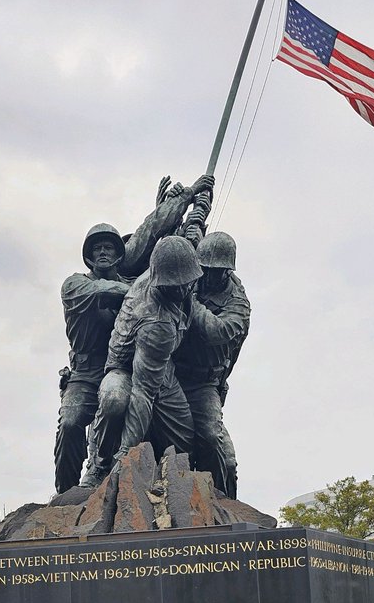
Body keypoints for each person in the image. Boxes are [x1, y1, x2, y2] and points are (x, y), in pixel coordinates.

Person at [54, 175, 214, 493]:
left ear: (118, 252)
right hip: (87, 374)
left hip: (129, 367)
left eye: (108, 247)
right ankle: (69, 491)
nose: (102, 252)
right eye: (96, 248)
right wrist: (140, 288)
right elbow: (106, 290)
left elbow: (150, 232)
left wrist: (186, 203)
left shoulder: (137, 276)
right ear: (87, 255)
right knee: (72, 422)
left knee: (136, 406)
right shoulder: (75, 285)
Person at [79, 236, 201, 488]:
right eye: (176, 285)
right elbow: (143, 393)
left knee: (184, 443)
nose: (183, 289)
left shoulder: (168, 267)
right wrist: (127, 455)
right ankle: (100, 465)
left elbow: (185, 241)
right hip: (125, 369)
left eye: (187, 282)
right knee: (114, 399)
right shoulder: (157, 322)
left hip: (162, 366)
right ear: (163, 282)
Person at [172, 231, 250, 497]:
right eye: (204, 269)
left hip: (204, 382)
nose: (208, 276)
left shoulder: (237, 303)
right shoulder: (192, 278)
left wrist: (189, 302)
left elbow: (217, 331)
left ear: (227, 271)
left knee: (213, 441)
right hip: (171, 376)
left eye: (216, 271)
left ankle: (221, 503)